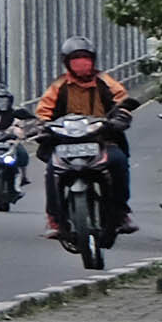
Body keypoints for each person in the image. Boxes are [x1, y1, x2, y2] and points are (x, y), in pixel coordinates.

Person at [35, 39, 134, 234]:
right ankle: (54, 219)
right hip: (65, 142)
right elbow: (43, 112)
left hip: (102, 141)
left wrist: (121, 117)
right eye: (76, 59)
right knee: (52, 171)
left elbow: (122, 102)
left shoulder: (105, 82)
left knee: (119, 163)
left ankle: (121, 213)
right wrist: (40, 127)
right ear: (67, 62)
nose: (82, 63)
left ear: (93, 60)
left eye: (85, 58)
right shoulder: (58, 86)